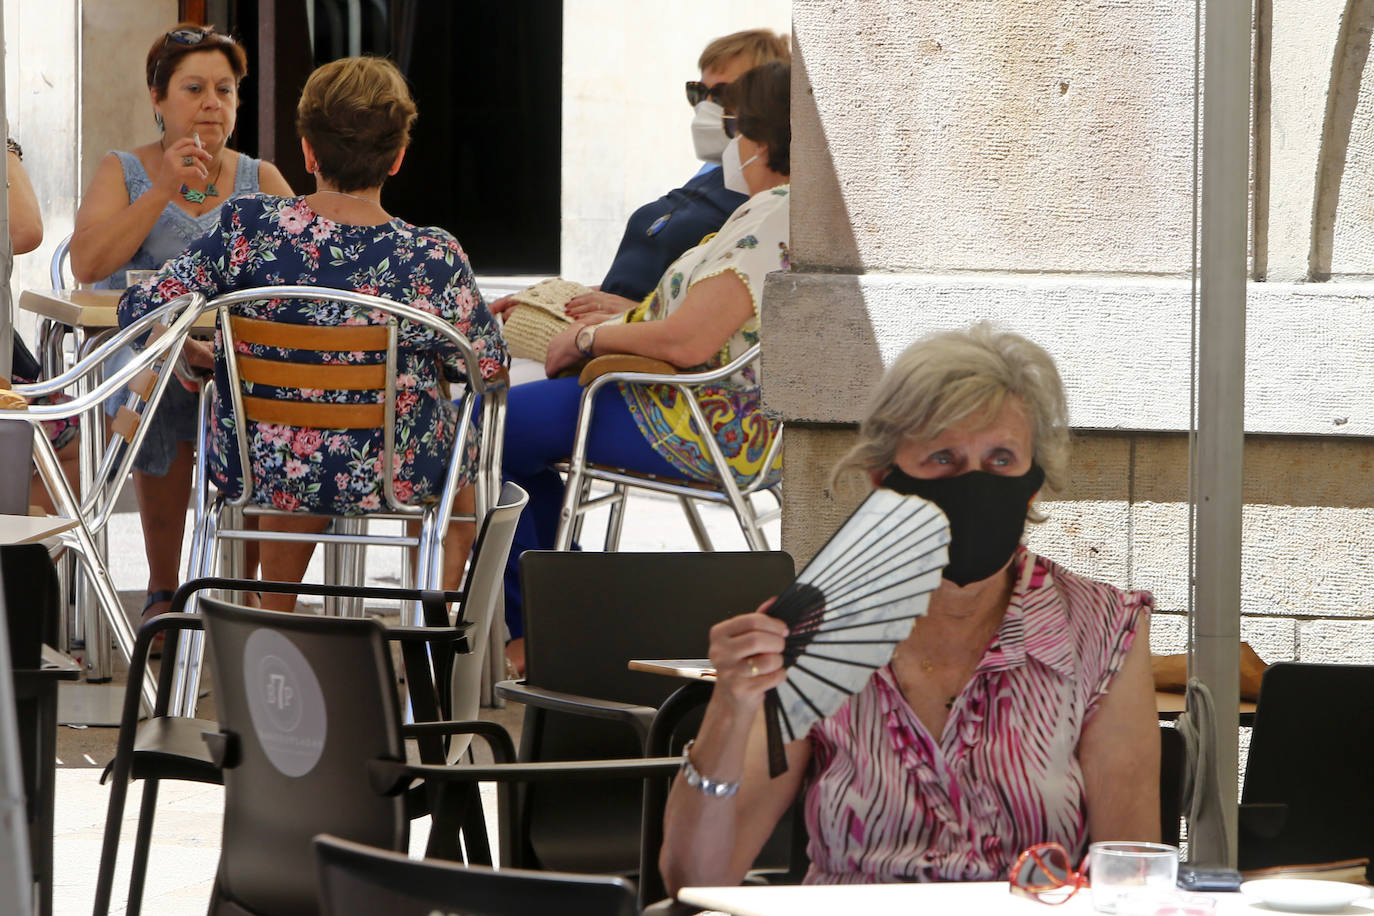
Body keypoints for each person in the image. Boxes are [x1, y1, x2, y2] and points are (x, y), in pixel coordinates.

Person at [658, 323, 1161, 889]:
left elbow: (1133, 877)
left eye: (1000, 459)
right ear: (885, 480)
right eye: (942, 458)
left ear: (1033, 485)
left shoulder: (1100, 629)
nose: (973, 484)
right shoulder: (816, 630)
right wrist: (730, 707)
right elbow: (694, 877)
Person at [118, 55, 507, 610]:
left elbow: (141, 305)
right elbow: (489, 368)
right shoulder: (432, 256)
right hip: (394, 472)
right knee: (457, 448)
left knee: (290, 425)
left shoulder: (249, 228)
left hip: (265, 467)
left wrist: (204, 353)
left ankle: (273, 626)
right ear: (397, 158)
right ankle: (431, 638)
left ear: (307, 152)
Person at [500, 61, 792, 671]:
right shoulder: (774, 210)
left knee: (479, 432)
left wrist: (588, 339)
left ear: (762, 141)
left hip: (687, 415)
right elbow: (713, 322)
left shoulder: (774, 217)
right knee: (508, 441)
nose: (729, 143)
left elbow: (688, 342)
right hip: (678, 400)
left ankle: (537, 629)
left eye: (736, 128)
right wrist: (615, 321)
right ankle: (556, 617)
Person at [69, 24, 293, 627]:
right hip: (144, 350)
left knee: (262, 391)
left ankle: (246, 594)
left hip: (235, 355)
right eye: (194, 88)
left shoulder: (261, 180)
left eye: (225, 89)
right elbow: (88, 264)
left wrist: (220, 344)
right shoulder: (125, 170)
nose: (212, 102)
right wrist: (165, 186)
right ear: (158, 97)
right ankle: (165, 591)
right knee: (164, 382)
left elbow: (301, 285)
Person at [492, 29, 789, 324]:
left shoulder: (767, 198)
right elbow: (634, 293)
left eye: (724, 95)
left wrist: (632, 317)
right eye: (698, 93)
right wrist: (555, 303)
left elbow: (712, 320)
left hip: (634, 353)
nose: (705, 108)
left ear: (762, 98)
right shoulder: (716, 175)